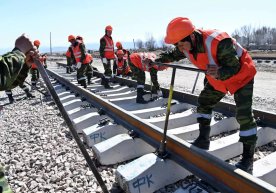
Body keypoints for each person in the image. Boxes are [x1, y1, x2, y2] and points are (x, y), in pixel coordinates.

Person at [151, 17, 257, 173]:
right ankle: (203, 139)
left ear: (192, 37)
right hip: (218, 79)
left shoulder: (218, 41)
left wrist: (219, 73)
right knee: (204, 103)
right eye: (177, 45)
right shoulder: (185, 45)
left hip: (241, 76)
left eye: (181, 44)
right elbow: (170, 56)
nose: (180, 48)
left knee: (244, 115)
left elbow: (234, 66)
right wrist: (155, 62)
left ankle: (248, 160)